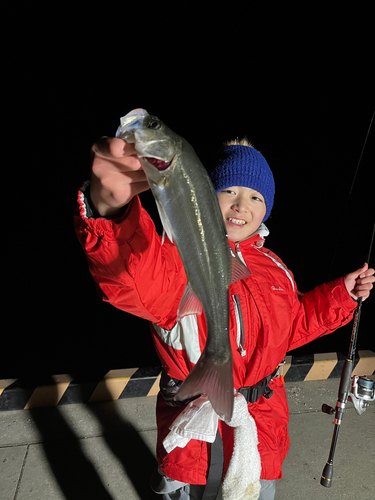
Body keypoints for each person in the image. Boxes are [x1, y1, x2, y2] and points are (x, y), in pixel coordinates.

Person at [74, 131, 374, 500]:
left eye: (254, 196)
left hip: (261, 430)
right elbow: (134, 276)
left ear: (267, 209)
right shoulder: (176, 258)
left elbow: (290, 328)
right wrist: (113, 211)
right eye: (228, 191)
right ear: (203, 197)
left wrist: (340, 295)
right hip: (195, 436)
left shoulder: (275, 268)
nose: (240, 205)